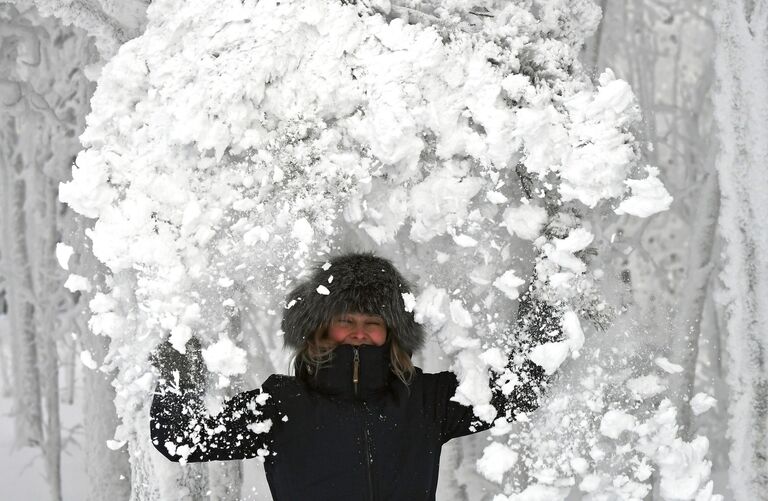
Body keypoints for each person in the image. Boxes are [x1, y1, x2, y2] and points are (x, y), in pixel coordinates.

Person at [150, 252, 553, 500]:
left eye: (373, 321)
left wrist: (552, 289)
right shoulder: (284, 404)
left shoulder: (425, 401)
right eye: (346, 320)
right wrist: (179, 360)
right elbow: (182, 438)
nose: (359, 331)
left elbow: (519, 391)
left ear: (392, 332)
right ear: (321, 328)